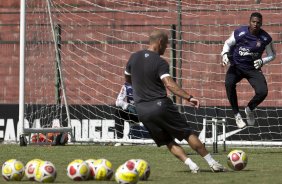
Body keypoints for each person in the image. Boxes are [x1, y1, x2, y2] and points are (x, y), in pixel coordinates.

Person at [125, 30, 225, 173]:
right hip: (160, 105)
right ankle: (212, 163)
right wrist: (189, 97)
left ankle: (192, 166)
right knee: (187, 133)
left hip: (142, 111)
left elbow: (127, 80)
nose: (166, 48)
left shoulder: (133, 58)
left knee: (167, 141)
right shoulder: (160, 62)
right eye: (166, 44)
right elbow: (169, 84)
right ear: (160, 42)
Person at [221, 12, 276, 129]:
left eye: (258, 22)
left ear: (261, 24)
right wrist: (224, 54)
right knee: (228, 83)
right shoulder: (240, 33)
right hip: (236, 66)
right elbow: (227, 43)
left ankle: (249, 109)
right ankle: (237, 115)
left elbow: (272, 55)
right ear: (249, 22)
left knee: (263, 91)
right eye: (253, 22)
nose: (255, 24)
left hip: (253, 68)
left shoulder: (266, 38)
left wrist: (263, 61)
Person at [114, 75, 139, 146]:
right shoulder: (126, 86)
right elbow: (118, 102)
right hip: (133, 113)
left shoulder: (146, 84)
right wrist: (128, 106)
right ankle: (119, 140)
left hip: (145, 113)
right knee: (118, 111)